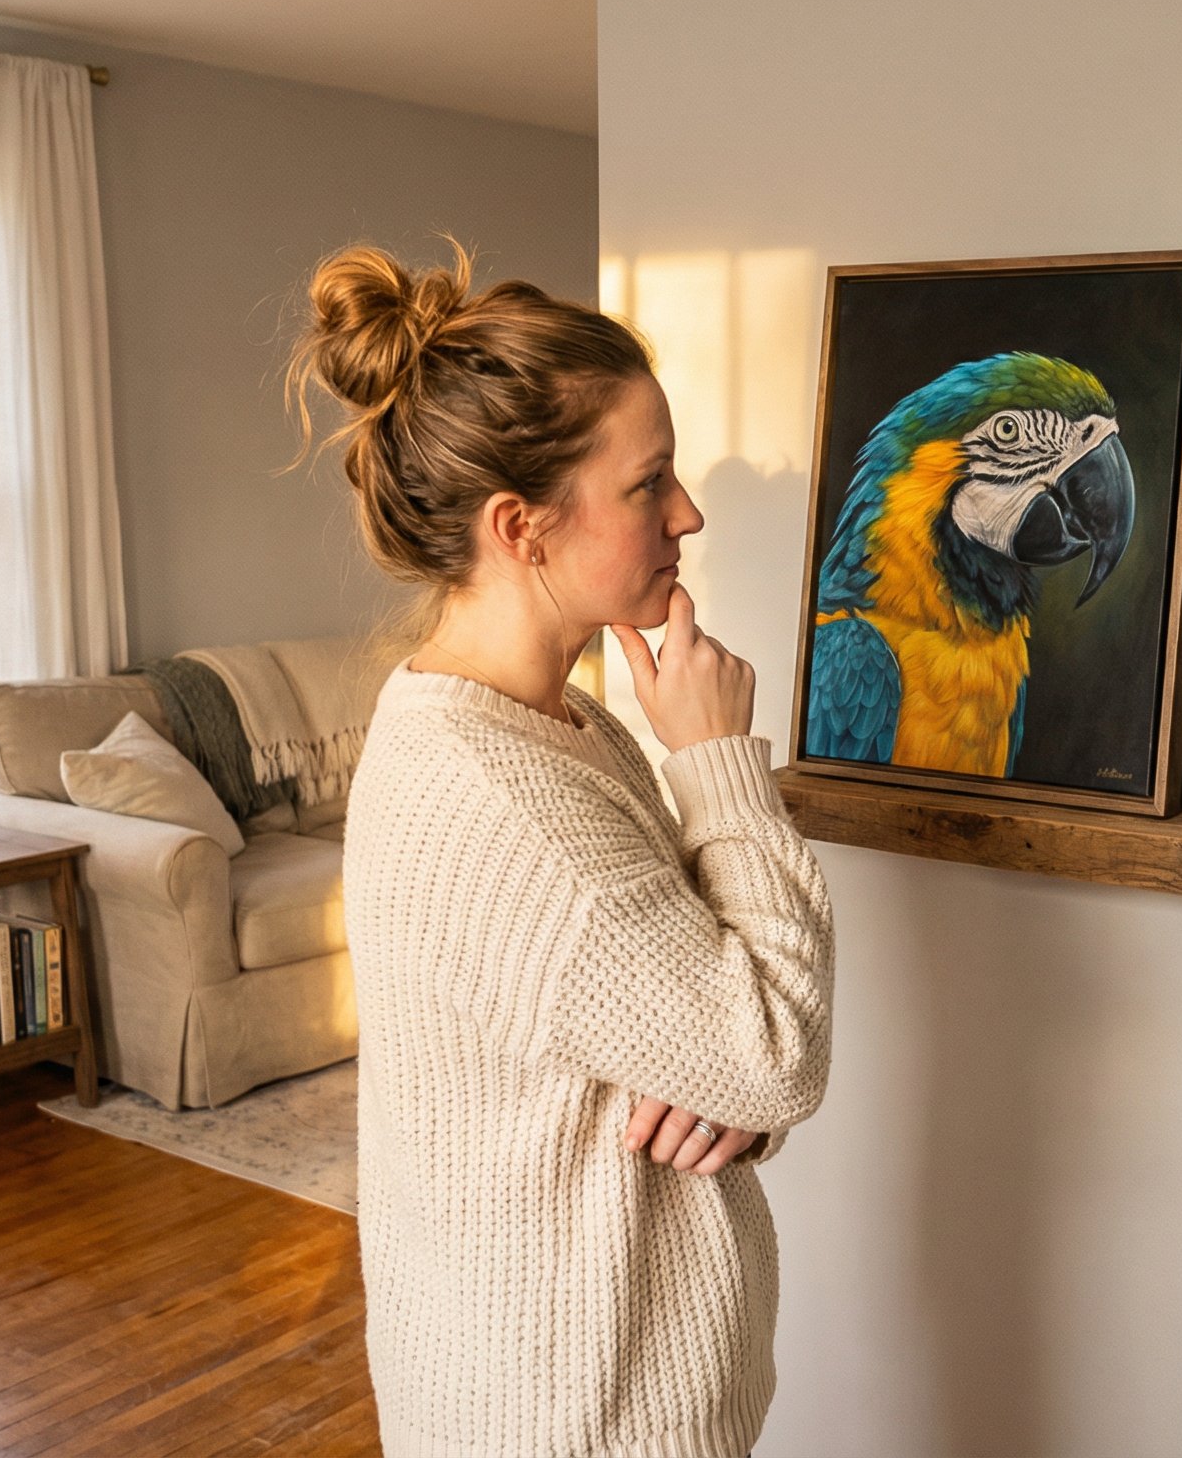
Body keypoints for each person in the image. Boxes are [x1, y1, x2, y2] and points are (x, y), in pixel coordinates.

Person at [287, 241, 834, 1458]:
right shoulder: (495, 795)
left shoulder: (566, 728)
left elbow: (728, 1045)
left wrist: (731, 1098)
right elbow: (774, 1045)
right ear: (519, 526)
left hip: (620, 1394)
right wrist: (719, 764)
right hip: (571, 1420)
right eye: (649, 484)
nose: (687, 513)